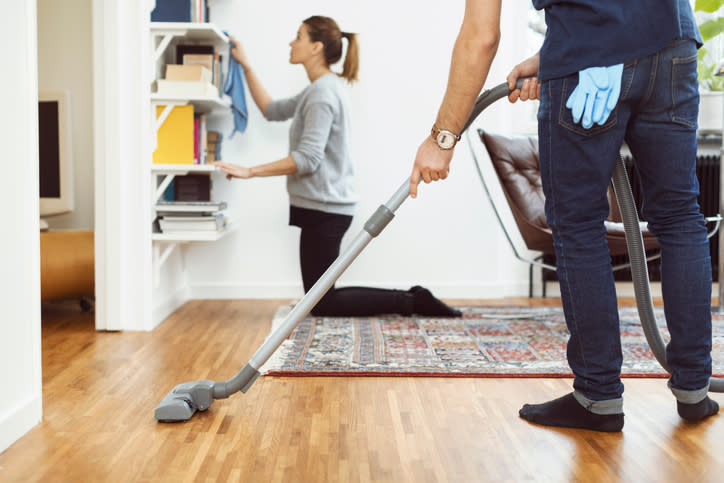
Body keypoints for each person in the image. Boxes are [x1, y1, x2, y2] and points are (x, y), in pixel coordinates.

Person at [410, 0, 719, 431]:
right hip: (671, 44)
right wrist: (553, 55)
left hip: (588, 50)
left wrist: (442, 139)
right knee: (680, 214)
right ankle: (694, 388)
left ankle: (598, 397)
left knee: (578, 224)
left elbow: (480, 36)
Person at [213, 15, 460, 318]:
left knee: (320, 302)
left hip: (325, 210)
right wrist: (246, 65)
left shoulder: (322, 93)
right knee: (317, 299)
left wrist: (249, 171)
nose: (292, 43)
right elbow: (271, 110)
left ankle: (412, 301)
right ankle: (411, 300)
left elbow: (307, 159)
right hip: (320, 207)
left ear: (316, 47)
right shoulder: (316, 89)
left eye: (299, 36)